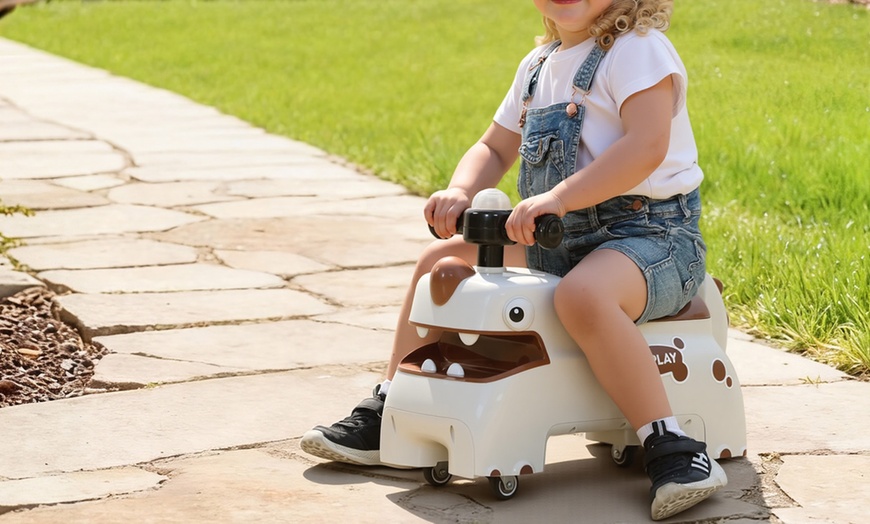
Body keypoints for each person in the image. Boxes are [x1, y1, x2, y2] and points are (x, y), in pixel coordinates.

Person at [302, 0, 727, 519]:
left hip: (652, 238)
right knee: (440, 260)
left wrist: (562, 197)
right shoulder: (538, 68)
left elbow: (646, 146)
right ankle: (393, 405)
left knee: (583, 295)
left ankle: (671, 444)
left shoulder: (638, 50)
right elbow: (496, 148)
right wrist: (461, 189)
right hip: (557, 237)